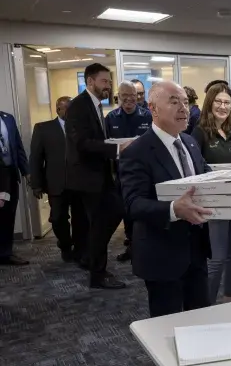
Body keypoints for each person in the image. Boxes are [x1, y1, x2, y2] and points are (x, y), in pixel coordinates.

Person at [119, 81, 213, 366]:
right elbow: (132, 205)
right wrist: (174, 209)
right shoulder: (136, 151)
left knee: (200, 318)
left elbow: (202, 185)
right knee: (168, 328)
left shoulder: (189, 143)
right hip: (161, 253)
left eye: (186, 101)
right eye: (173, 102)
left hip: (196, 248)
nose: (183, 108)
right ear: (153, 109)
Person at [65, 63, 130, 288]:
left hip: (100, 175)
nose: (108, 86)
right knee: (101, 223)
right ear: (90, 82)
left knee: (109, 217)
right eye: (104, 81)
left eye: (109, 82)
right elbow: (81, 143)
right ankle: (97, 273)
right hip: (88, 178)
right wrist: (116, 149)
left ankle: (92, 261)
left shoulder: (95, 105)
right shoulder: (78, 106)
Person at [192, 84, 231, 304]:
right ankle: (206, 304)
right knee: (216, 258)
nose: (222, 106)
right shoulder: (199, 132)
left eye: (227, 102)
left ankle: (229, 298)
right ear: (210, 103)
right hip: (213, 203)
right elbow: (194, 169)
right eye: (218, 101)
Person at [30, 96, 88, 263]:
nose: (70, 112)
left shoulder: (81, 128)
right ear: (58, 109)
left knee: (81, 218)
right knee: (57, 218)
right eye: (66, 109)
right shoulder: (43, 129)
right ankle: (65, 244)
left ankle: (79, 247)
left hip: (79, 183)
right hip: (56, 183)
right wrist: (36, 184)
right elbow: (35, 158)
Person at [105, 80, 153, 263]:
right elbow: (106, 147)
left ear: (138, 97)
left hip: (145, 173)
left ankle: (144, 248)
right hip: (121, 174)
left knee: (144, 211)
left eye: (132, 96)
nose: (129, 99)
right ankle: (132, 247)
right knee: (127, 212)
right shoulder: (111, 118)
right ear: (118, 97)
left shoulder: (147, 116)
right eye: (124, 96)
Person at [0, 110, 29, 266]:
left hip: (10, 175)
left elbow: (18, 146)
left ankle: (5, 252)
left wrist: (26, 172)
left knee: (8, 215)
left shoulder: (8, 118)